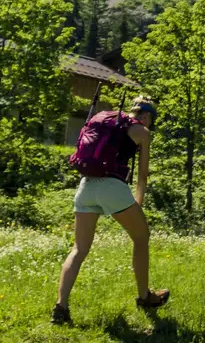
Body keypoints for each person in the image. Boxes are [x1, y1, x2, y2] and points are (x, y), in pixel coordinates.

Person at [53, 96, 169, 324]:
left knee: (79, 249)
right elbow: (143, 176)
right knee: (141, 236)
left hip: (86, 185)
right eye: (151, 120)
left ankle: (61, 307)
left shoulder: (106, 119)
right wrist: (137, 203)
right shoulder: (142, 132)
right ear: (147, 116)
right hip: (113, 187)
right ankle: (145, 297)